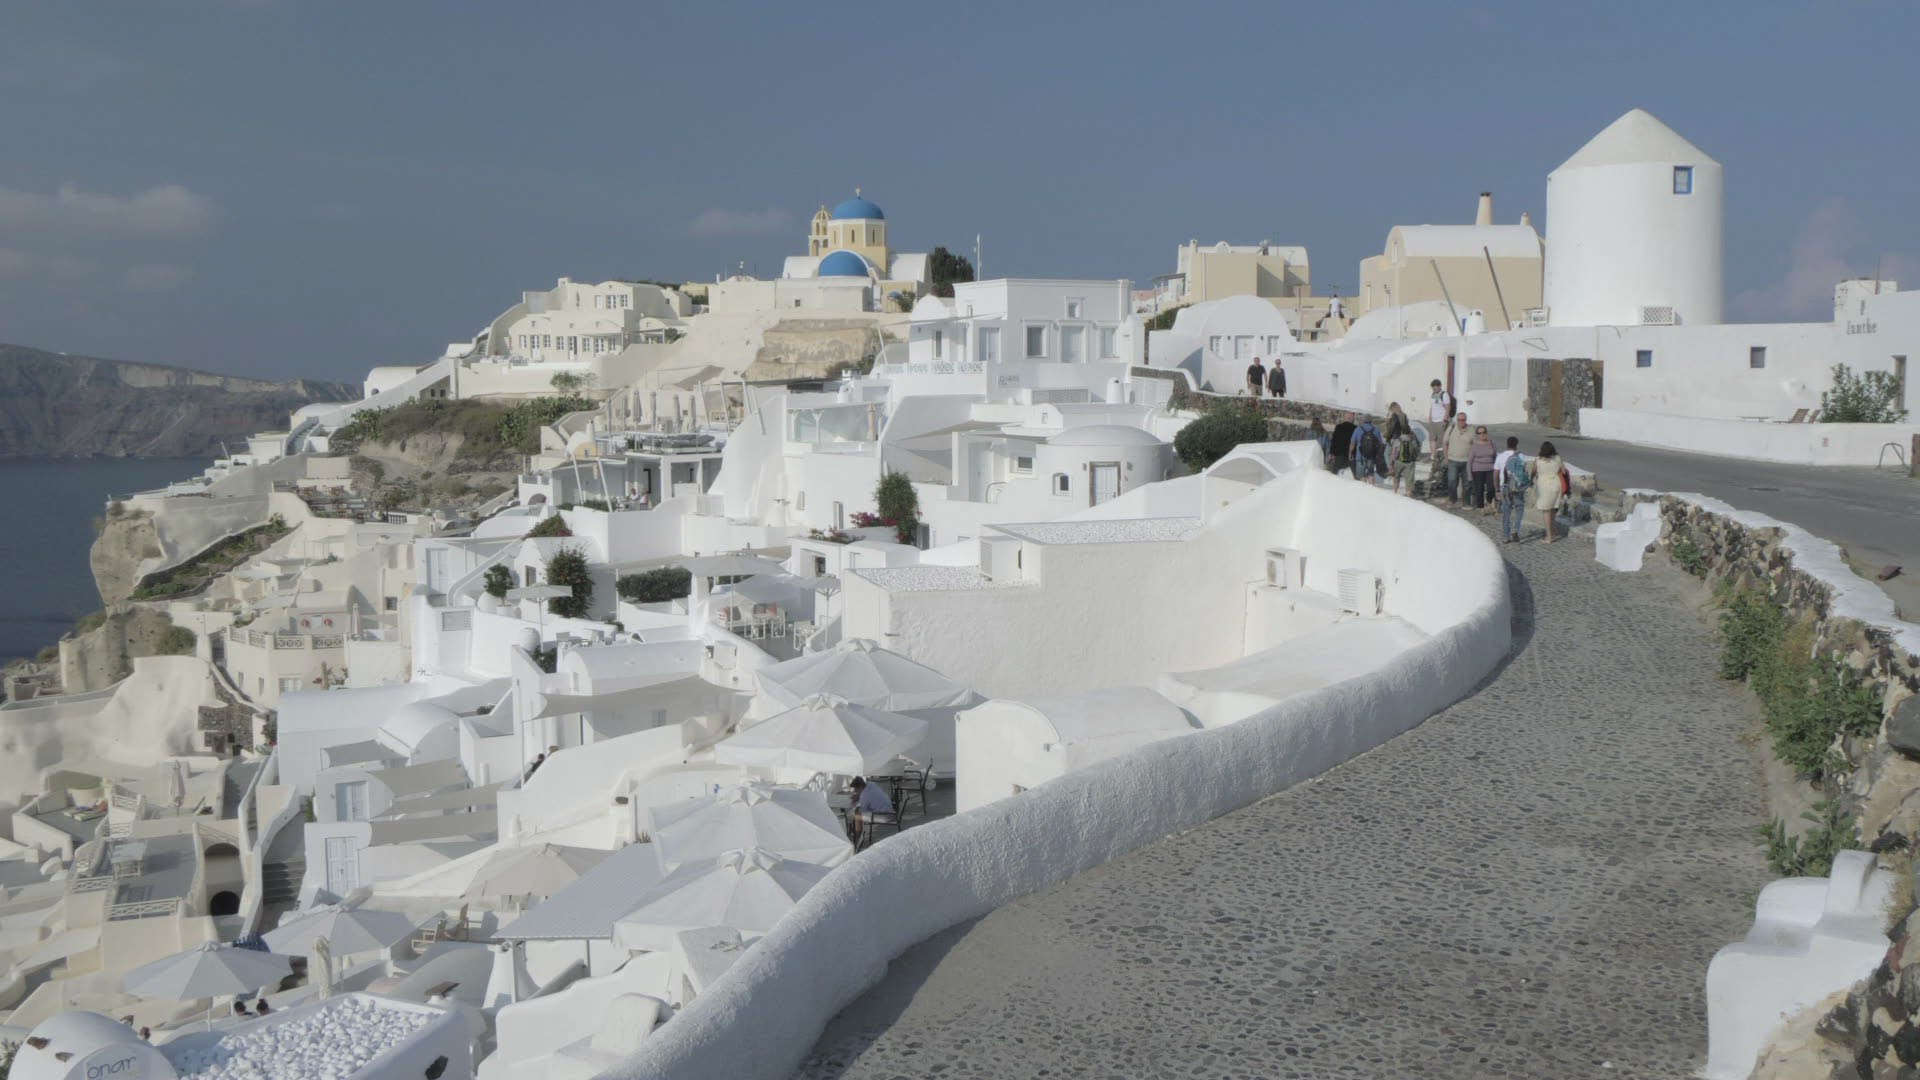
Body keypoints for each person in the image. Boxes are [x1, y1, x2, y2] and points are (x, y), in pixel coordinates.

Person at [1529, 441, 1567, 544]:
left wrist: (1531, 480)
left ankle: (1549, 537)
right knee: (1553, 508)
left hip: (1544, 485)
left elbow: (1533, 471)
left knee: (1546, 510)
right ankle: (1553, 530)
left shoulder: (1538, 459)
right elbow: (1564, 471)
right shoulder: (1557, 458)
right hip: (1556, 484)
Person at [1495, 436, 1527, 542]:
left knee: (1506, 511)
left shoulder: (1500, 457)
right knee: (1519, 509)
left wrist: (1497, 489)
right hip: (1518, 487)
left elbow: (1496, 473)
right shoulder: (1521, 456)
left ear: (1507, 444)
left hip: (1505, 486)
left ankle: (1506, 536)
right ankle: (1515, 530)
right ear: (1516, 444)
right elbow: (1524, 472)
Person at [848, 776, 894, 847]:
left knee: (857, 816)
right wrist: (858, 796)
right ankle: (856, 834)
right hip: (890, 810)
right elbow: (868, 794)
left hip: (885, 816)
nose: (855, 791)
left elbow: (863, 810)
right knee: (857, 813)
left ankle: (857, 840)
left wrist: (855, 804)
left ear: (860, 787)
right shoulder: (871, 784)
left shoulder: (865, 796)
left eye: (856, 789)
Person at [1440, 413, 1475, 504]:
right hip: (1453, 460)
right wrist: (1446, 458)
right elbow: (1444, 443)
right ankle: (1452, 500)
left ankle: (1466, 503)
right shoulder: (1451, 428)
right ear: (1457, 420)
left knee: (1467, 484)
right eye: (1459, 420)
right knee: (1452, 481)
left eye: (1463, 420)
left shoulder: (1471, 430)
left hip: (1467, 461)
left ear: (1466, 420)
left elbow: (1475, 446)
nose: (1461, 422)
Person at [1467, 425, 1498, 512]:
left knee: (1491, 488)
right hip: (1477, 469)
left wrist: (1497, 469)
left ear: (1486, 433)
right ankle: (1480, 507)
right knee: (1479, 489)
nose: (1482, 434)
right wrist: (1469, 475)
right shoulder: (1474, 446)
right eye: (1480, 433)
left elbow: (1495, 457)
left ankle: (1488, 503)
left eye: (1484, 432)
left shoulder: (1492, 444)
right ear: (1477, 435)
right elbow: (1469, 461)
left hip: (1490, 469)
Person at [1425, 379, 1455, 464]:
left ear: (1439, 386)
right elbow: (1432, 406)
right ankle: (1433, 455)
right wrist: (1430, 417)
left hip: (1441, 420)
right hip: (1433, 421)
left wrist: (1445, 420)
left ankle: (1441, 457)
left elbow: (1448, 407)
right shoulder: (1433, 395)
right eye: (1433, 388)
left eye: (1435, 388)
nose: (1434, 389)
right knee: (1432, 439)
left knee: (1441, 440)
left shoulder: (1444, 395)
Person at [1349, 416, 1385, 483]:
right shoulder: (1376, 430)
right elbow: (1380, 444)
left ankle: (1363, 487)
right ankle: (1371, 486)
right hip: (1371, 456)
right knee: (1370, 474)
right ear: (1371, 421)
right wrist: (1379, 455)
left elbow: (1352, 443)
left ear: (1363, 421)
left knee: (1361, 476)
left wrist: (1350, 453)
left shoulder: (1358, 429)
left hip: (1360, 456)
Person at [1388, 423, 1421, 496]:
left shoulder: (1398, 440)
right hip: (1410, 463)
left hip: (1398, 461)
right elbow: (1416, 451)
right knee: (1409, 481)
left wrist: (1391, 463)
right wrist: (1415, 458)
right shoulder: (1412, 440)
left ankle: (1395, 493)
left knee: (1396, 478)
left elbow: (1393, 453)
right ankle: (1409, 496)